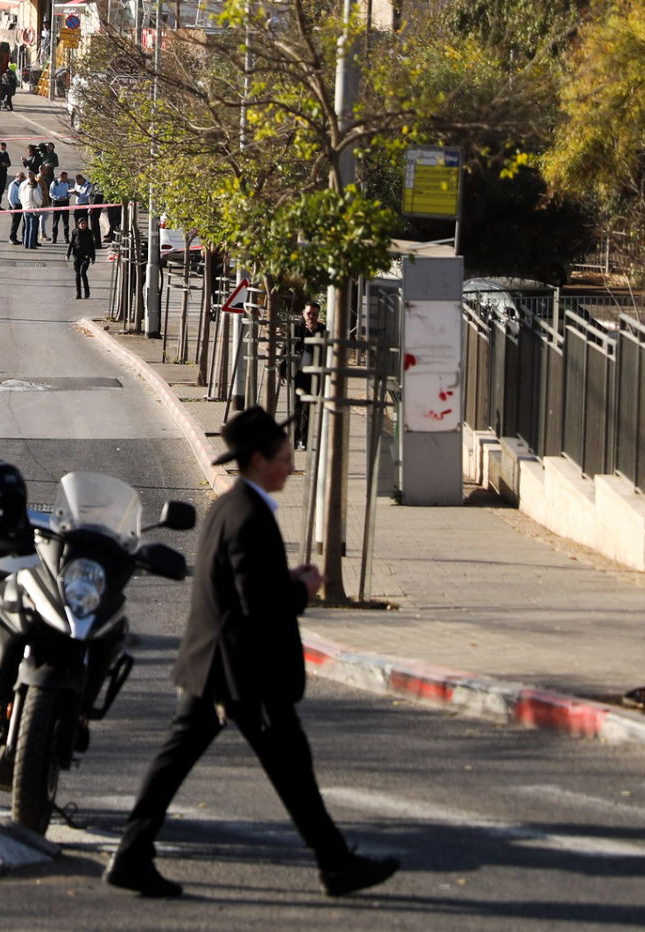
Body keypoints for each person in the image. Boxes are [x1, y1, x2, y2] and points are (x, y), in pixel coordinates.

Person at [104, 405, 400, 900]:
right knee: (287, 768)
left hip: (218, 663)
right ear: (259, 458)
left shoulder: (232, 505)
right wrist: (301, 591)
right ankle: (335, 865)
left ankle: (134, 855)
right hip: (242, 670)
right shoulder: (248, 515)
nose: (290, 466)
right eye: (284, 457)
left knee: (202, 763)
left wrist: (288, 581)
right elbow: (257, 604)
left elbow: (245, 585)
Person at [290, 303, 327, 450]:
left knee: (309, 408)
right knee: (297, 407)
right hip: (298, 373)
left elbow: (323, 350)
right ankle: (294, 438)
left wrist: (314, 332)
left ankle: (305, 440)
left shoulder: (322, 330)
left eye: (315, 314)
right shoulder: (297, 328)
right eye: (309, 313)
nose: (312, 317)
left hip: (314, 374)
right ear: (303, 313)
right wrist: (282, 368)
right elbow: (288, 348)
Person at [67, 216, 96, 299]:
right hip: (77, 256)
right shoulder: (75, 232)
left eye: (85, 224)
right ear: (78, 224)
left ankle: (87, 292)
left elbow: (92, 246)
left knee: (82, 272)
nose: (83, 225)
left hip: (86, 256)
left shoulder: (89, 233)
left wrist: (93, 257)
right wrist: (68, 255)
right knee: (77, 275)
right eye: (81, 224)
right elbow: (71, 244)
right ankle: (78, 294)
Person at [48, 171, 73, 243]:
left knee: (66, 221)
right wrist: (58, 197)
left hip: (65, 202)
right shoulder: (54, 183)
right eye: (65, 177)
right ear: (61, 176)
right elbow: (51, 193)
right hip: (57, 203)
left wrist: (67, 197)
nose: (66, 178)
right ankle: (54, 237)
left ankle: (66, 238)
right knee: (55, 221)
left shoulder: (68, 183)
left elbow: (70, 192)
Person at [20, 172, 43, 249]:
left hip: (25, 209)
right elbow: (39, 201)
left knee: (27, 227)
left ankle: (26, 243)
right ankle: (31, 244)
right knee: (32, 228)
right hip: (33, 210)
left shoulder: (24, 189)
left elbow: (21, 198)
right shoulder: (34, 190)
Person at [5, 170, 25, 244]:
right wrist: (13, 206)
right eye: (21, 177)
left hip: (20, 205)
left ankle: (16, 237)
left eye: (23, 177)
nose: (23, 178)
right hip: (15, 205)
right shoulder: (13, 184)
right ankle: (12, 237)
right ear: (17, 177)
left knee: (18, 222)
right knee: (15, 223)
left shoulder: (22, 184)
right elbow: (10, 197)